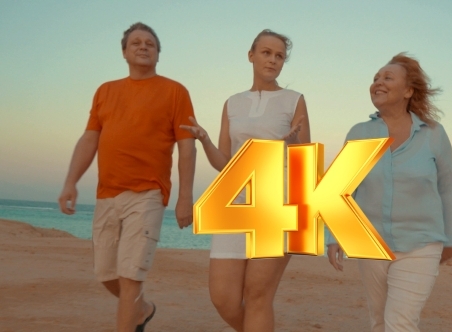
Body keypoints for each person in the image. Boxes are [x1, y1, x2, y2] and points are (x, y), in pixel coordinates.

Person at [58, 22, 196, 332]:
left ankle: (132, 312)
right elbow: (90, 139)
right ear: (124, 52)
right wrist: (70, 182)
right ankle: (142, 309)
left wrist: (184, 198)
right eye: (136, 42)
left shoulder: (175, 91)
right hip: (107, 194)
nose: (143, 46)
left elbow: (187, 148)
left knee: (131, 277)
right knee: (107, 275)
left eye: (150, 43)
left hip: (148, 193)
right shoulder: (105, 91)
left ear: (158, 53)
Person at [180, 29, 310, 332]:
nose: (273, 60)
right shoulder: (233, 103)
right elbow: (225, 164)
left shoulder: (294, 100)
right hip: (234, 206)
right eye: (266, 53)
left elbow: (305, 162)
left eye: (279, 56)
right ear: (251, 56)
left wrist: (290, 145)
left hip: (277, 206)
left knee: (257, 295)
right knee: (223, 298)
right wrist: (206, 141)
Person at [326, 53, 452, 332]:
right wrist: (334, 234)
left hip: (421, 244)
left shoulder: (433, 134)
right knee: (379, 321)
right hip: (371, 242)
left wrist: (450, 238)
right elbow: (339, 188)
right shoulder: (360, 133)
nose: (378, 83)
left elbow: (446, 190)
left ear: (408, 91)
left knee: (400, 323)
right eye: (375, 78)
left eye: (387, 77)